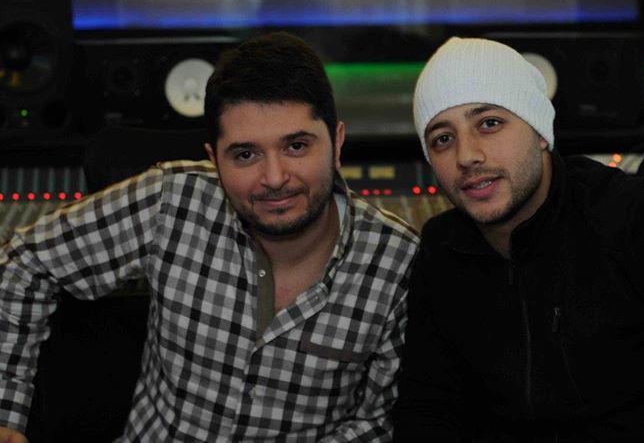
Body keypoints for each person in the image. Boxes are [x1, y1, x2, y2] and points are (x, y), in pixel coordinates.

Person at [0, 32, 418, 442]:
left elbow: (380, 420)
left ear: (337, 143)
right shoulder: (170, 199)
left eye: (296, 146)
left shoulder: (399, 263)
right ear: (214, 159)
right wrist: (6, 414)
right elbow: (23, 263)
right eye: (246, 154)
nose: (274, 178)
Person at [391, 37, 644, 442]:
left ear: (540, 132)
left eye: (489, 123)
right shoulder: (443, 251)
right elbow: (428, 407)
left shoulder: (640, 216)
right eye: (443, 138)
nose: (467, 155)